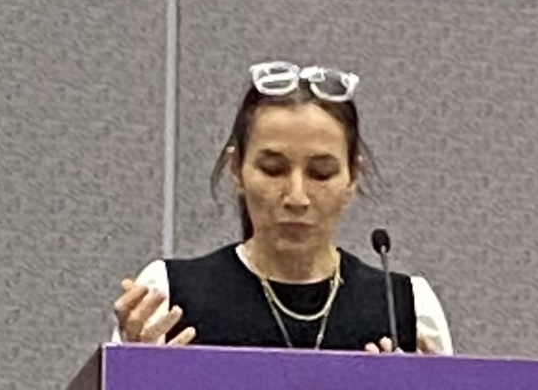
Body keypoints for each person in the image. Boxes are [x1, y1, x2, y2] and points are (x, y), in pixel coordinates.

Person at [111, 60, 453, 355]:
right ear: (237, 169)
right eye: (273, 170)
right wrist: (135, 372)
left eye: (321, 173)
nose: (297, 197)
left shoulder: (405, 308)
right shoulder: (167, 297)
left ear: (352, 177)